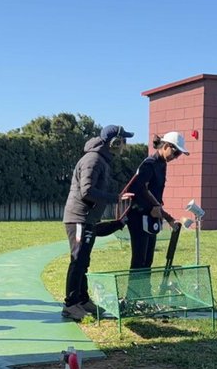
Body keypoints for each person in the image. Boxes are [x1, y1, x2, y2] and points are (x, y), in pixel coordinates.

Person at [61, 124, 134, 321]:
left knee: (84, 260)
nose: (124, 146)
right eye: (122, 141)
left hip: (86, 218)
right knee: (78, 261)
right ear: (114, 142)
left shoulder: (100, 159)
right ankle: (70, 304)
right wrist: (115, 198)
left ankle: (82, 300)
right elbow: (87, 191)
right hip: (79, 218)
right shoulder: (93, 160)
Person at [124, 131, 189, 301]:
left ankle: (144, 296)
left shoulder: (162, 164)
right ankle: (132, 298)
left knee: (148, 260)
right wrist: (156, 207)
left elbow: (155, 194)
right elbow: (140, 188)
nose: (176, 157)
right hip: (138, 216)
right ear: (166, 146)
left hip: (152, 217)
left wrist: (161, 212)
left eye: (179, 154)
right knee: (139, 260)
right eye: (175, 152)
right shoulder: (149, 163)